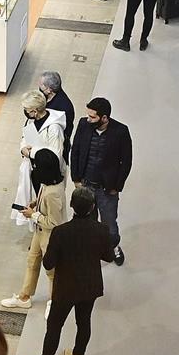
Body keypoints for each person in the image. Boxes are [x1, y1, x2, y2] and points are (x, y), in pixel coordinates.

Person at [22, 186, 117, 355]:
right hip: (90, 285)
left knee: (55, 326)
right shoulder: (101, 230)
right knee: (84, 323)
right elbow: (108, 256)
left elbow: (48, 263)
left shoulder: (60, 232)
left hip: (65, 287)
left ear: (72, 205)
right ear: (92, 207)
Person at [0, 149, 67, 309]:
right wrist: (36, 203)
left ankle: (53, 302)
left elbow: (54, 222)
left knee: (52, 271)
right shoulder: (49, 184)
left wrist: (33, 215)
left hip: (51, 236)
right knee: (32, 261)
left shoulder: (53, 193)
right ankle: (24, 297)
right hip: (40, 231)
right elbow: (44, 199)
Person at [70, 96, 132, 263]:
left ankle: (113, 247)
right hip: (85, 185)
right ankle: (90, 250)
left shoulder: (121, 132)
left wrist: (117, 186)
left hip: (106, 189)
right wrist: (76, 178)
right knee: (87, 221)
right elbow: (75, 151)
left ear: (104, 118)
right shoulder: (84, 125)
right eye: (88, 116)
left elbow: (126, 162)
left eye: (93, 117)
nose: (88, 119)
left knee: (109, 221)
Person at [14, 93, 66, 210]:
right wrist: (23, 149)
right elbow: (26, 140)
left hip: (49, 175)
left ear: (35, 110)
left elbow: (54, 156)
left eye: (27, 110)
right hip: (35, 169)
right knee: (37, 200)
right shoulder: (31, 122)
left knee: (48, 206)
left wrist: (32, 153)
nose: (25, 112)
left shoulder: (53, 128)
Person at [37, 70, 75, 162]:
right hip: (37, 138)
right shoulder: (42, 95)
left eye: (41, 85)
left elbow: (63, 133)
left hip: (51, 144)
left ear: (49, 90)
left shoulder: (64, 107)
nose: (38, 86)